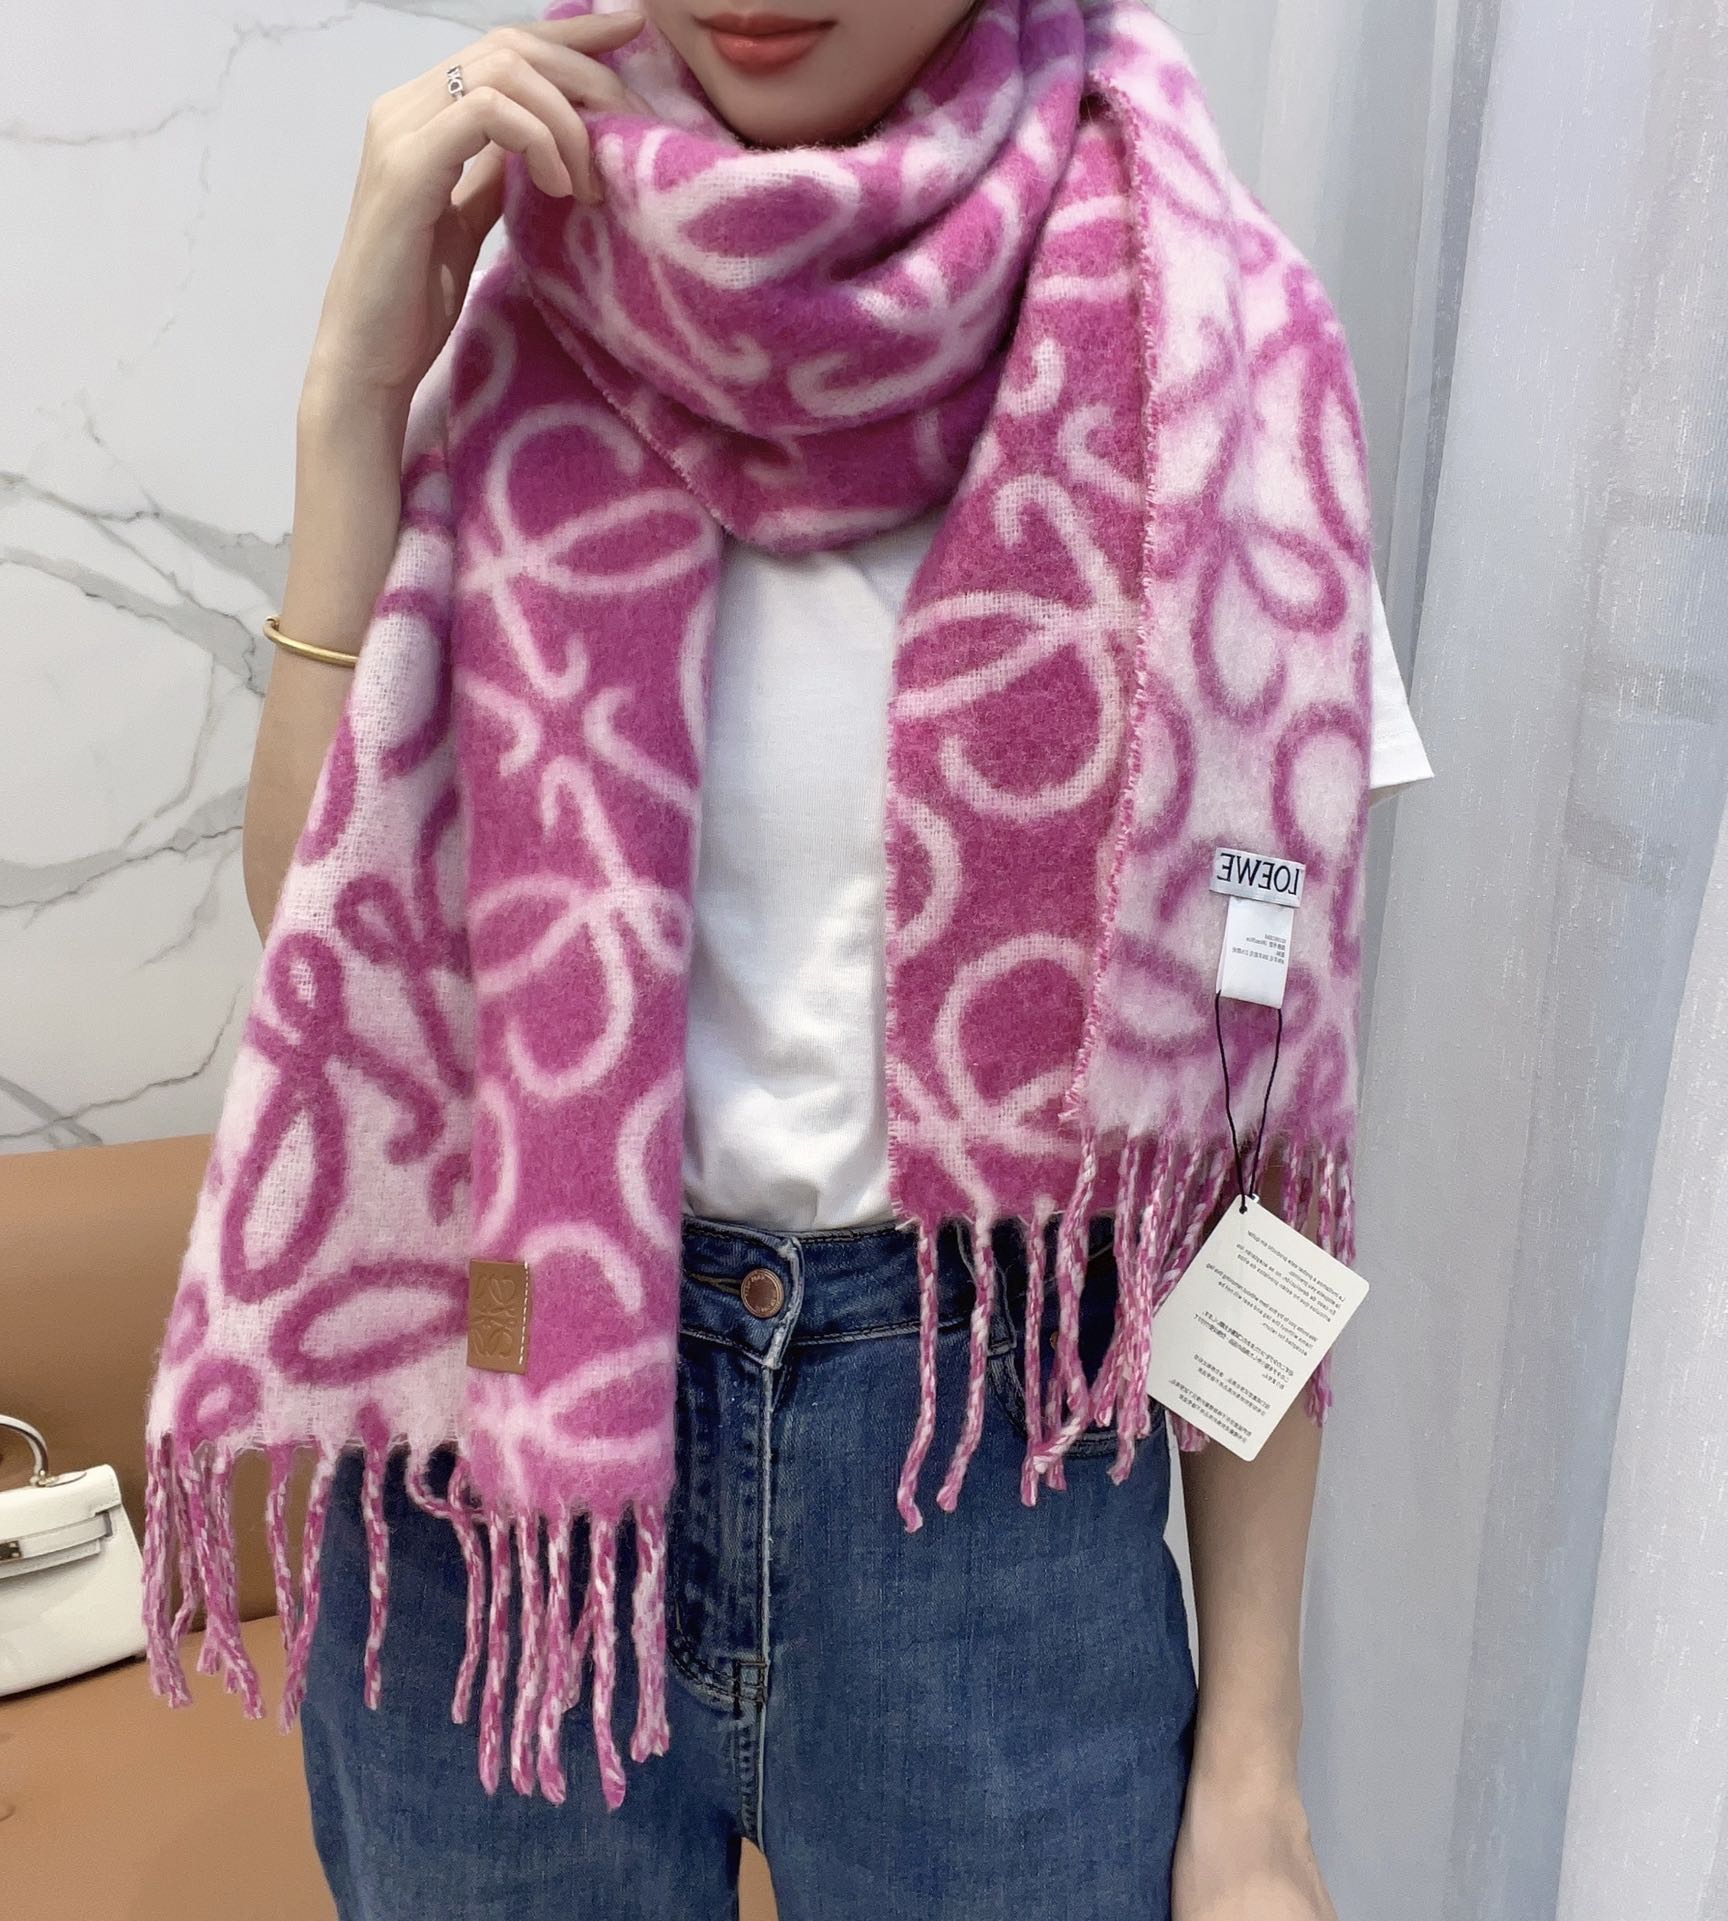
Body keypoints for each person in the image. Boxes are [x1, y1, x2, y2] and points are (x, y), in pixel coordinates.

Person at [246, 4, 1432, 1916]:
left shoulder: (1217, 361)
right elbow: (320, 948)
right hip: (506, 1456)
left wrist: (1256, 1767)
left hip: (987, 1490)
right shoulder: (530, 306)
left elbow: (1245, 1153)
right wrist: (351, 399)